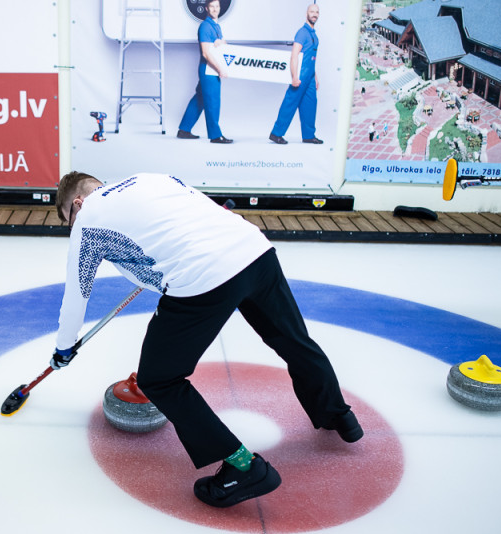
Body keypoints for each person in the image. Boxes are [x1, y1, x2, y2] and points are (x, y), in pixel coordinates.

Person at [51, 171, 363, 508]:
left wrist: (64, 346)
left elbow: (76, 296)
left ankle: (242, 468)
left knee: (159, 379)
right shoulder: (151, 179)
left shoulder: (87, 222)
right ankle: (338, 415)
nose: (73, 226)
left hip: (203, 277)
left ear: (78, 203)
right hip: (254, 251)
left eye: (69, 218)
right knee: (292, 339)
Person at [177, 0, 233, 144]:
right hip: (209, 69)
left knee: (200, 99)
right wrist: (220, 69)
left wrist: (221, 43)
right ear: (207, 8)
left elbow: (222, 45)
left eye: (217, 6)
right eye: (212, 7)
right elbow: (206, 53)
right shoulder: (205, 27)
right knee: (213, 101)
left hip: (210, 68)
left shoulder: (216, 26)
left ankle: (184, 130)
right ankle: (215, 136)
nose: (215, 9)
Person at [269, 3, 322, 145]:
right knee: (290, 103)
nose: (314, 14)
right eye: (312, 11)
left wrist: (315, 77)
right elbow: (294, 55)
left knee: (311, 105)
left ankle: (309, 135)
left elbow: (311, 57)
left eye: (317, 12)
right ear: (306, 14)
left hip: (310, 76)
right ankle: (276, 133)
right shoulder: (302, 33)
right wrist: (294, 77)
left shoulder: (313, 34)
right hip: (300, 74)